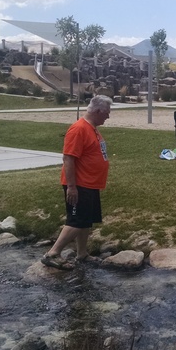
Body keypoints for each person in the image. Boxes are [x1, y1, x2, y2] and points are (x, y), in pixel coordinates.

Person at [42, 95, 113, 270]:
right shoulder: (78, 129)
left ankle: (82, 254)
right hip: (79, 184)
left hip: (90, 184)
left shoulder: (92, 128)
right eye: (107, 113)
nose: (108, 116)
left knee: (86, 221)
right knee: (76, 220)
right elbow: (68, 159)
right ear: (97, 111)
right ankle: (52, 254)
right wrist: (72, 187)